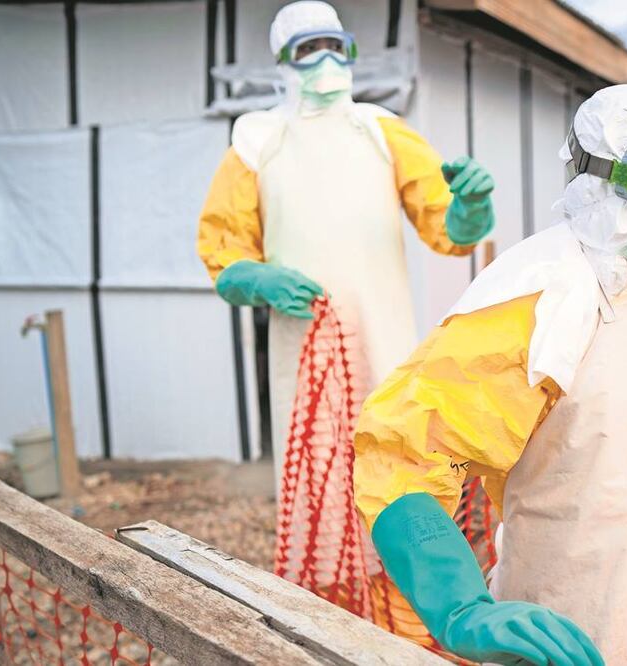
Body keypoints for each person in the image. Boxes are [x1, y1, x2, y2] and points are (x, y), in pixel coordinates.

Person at [354, 84, 627, 665]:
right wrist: (460, 607)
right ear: (597, 180)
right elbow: (403, 458)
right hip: (565, 621)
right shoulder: (536, 302)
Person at [196, 0, 494, 490]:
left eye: (335, 47)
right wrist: (255, 278)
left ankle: (388, 568)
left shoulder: (384, 132)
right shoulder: (256, 141)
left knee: (392, 455)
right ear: (285, 62)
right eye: (308, 49)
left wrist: (470, 209)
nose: (325, 61)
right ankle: (326, 568)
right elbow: (223, 245)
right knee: (317, 469)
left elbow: (445, 228)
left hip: (384, 330)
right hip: (305, 341)